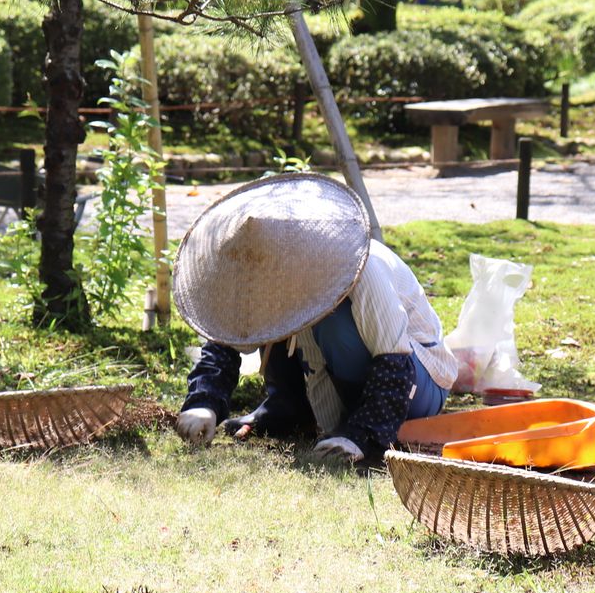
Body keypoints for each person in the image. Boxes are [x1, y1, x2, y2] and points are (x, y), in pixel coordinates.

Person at [174, 175, 456, 463]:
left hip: (418, 382)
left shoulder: (365, 268)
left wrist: (360, 436)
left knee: (334, 324)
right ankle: (289, 410)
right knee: (278, 316)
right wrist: (204, 402)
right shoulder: (274, 278)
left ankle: (360, 424)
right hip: (347, 381)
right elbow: (226, 336)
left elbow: (395, 362)